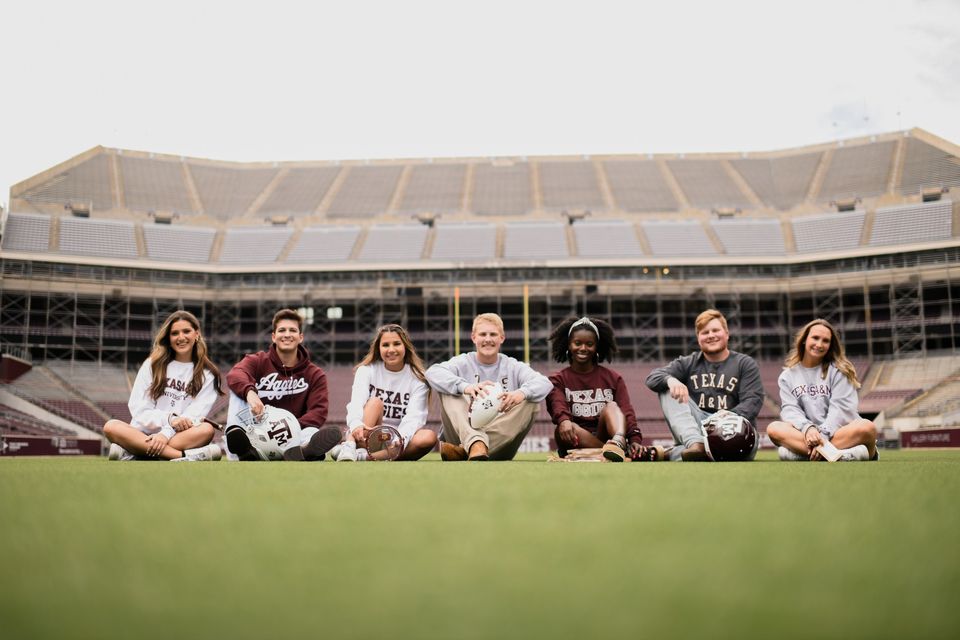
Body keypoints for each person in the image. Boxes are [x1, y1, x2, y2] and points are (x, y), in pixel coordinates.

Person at [426, 312, 551, 461]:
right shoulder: (463, 362)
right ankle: (475, 444)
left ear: (502, 338)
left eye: (493, 334)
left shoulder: (513, 366)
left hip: (500, 444)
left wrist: (521, 393)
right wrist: (465, 387)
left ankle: (470, 448)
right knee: (449, 389)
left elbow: (545, 383)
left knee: (531, 401)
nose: (488, 339)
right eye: (483, 334)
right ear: (474, 337)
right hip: (458, 435)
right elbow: (432, 372)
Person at [104, 310, 223, 461]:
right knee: (111, 426)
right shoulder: (152, 364)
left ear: (197, 334)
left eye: (186, 331)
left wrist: (165, 434)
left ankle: (135, 452)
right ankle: (182, 456)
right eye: (175, 333)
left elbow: (194, 415)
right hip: (142, 433)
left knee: (206, 430)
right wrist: (170, 419)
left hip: (177, 436)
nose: (181, 337)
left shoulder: (208, 374)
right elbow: (139, 408)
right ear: (168, 338)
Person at [645, 309, 763, 461]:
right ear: (698, 338)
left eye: (715, 330)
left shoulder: (745, 363)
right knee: (666, 387)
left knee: (727, 444)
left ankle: (671, 453)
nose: (711, 335)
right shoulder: (688, 362)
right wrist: (671, 380)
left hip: (734, 431)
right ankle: (696, 444)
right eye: (705, 332)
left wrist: (726, 417)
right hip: (701, 429)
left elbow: (753, 401)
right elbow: (652, 378)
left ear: (727, 334)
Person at [225, 308, 338, 461]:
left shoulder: (315, 374)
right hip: (255, 433)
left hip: (292, 435)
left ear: (301, 337)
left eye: (293, 330)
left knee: (312, 432)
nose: (287, 334)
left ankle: (300, 451)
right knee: (238, 389)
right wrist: (250, 393)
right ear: (274, 336)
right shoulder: (257, 361)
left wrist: (286, 428)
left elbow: (318, 412)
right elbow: (235, 374)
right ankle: (244, 451)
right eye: (282, 330)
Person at [767, 318, 877, 461]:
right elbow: (790, 410)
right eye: (815, 338)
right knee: (774, 428)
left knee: (867, 427)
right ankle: (843, 455)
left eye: (825, 341)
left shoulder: (839, 370)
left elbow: (840, 410)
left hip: (838, 433)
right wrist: (808, 428)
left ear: (830, 345)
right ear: (804, 340)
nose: (819, 344)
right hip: (807, 435)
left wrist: (822, 436)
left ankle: (802, 455)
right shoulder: (787, 376)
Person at [546, 316, 650, 462]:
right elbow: (558, 405)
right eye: (577, 343)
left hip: (608, 437)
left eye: (589, 344)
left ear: (597, 347)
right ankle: (616, 452)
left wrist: (634, 440)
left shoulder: (613, 378)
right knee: (565, 427)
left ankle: (617, 443)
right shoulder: (558, 379)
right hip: (575, 439)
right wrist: (563, 421)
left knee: (611, 406)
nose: (583, 348)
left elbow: (626, 411)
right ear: (569, 345)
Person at [331, 324, 436, 461]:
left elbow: (415, 417)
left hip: (396, 440)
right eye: (385, 345)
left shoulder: (418, 377)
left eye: (397, 344)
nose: (391, 349)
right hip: (367, 434)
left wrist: (400, 439)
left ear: (405, 346)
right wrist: (356, 424)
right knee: (375, 403)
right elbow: (356, 403)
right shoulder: (366, 370)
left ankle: (363, 456)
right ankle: (350, 444)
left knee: (428, 437)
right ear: (378, 348)